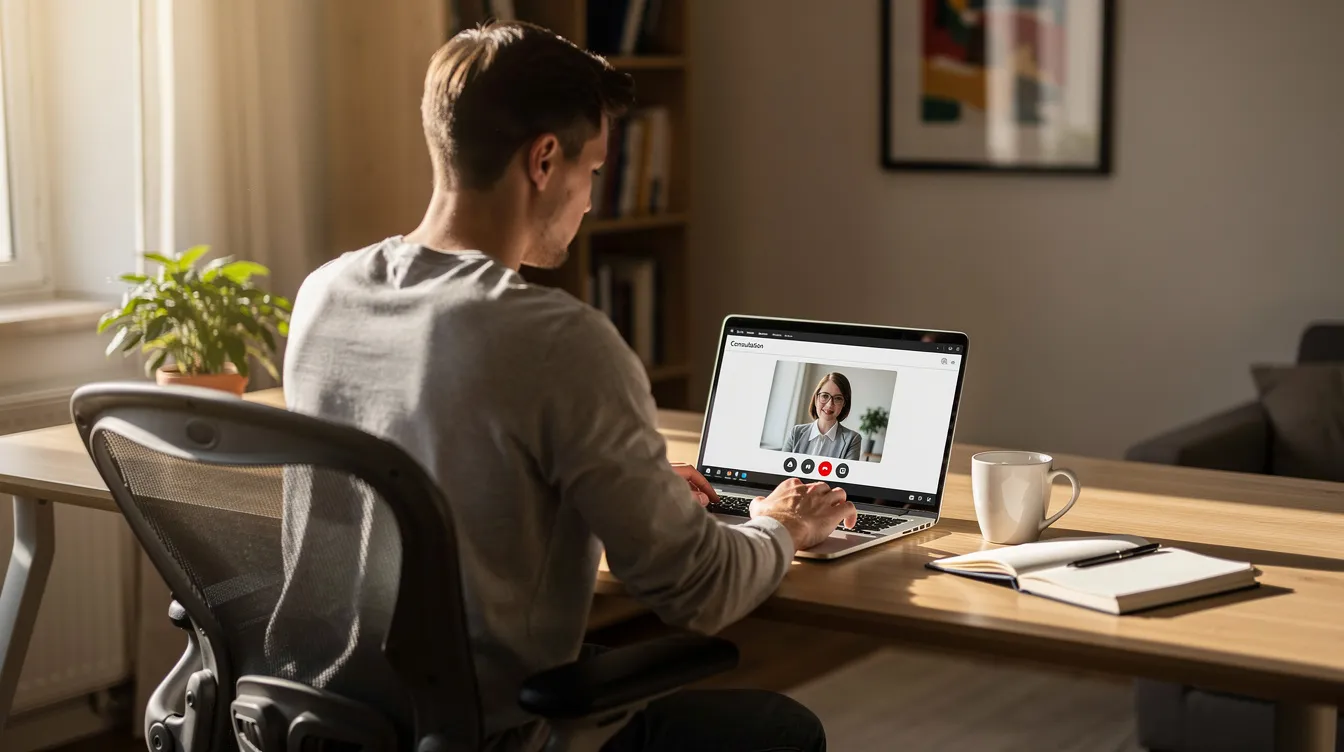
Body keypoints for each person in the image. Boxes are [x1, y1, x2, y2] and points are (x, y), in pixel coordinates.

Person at [280, 20, 856, 752]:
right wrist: (784, 523)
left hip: (325, 721)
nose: (589, 202)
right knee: (782, 730)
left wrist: (630, 486)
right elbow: (699, 589)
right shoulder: (559, 339)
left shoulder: (327, 292)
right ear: (545, 161)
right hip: (485, 732)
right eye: (594, 173)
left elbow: (429, 457)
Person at [783, 372, 863, 461]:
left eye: (838, 398)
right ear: (816, 399)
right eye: (825, 396)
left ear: (844, 403)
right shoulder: (795, 433)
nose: (829, 405)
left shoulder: (853, 439)